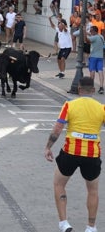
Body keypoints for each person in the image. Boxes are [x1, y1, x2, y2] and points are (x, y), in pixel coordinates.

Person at [44, 76, 105, 232]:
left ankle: (64, 223)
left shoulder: (69, 105)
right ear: (93, 90)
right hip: (92, 154)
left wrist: (48, 147)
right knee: (92, 191)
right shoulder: (102, 108)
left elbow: (57, 129)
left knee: (59, 184)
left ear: (78, 89)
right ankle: (91, 227)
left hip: (70, 153)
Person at [84, 25, 104, 94]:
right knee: (100, 71)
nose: (90, 32)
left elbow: (87, 40)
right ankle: (101, 87)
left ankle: (91, 87)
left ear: (94, 31)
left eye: (91, 30)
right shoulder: (101, 37)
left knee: (92, 71)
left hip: (93, 56)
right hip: (100, 57)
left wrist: (84, 33)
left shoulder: (94, 38)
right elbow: (91, 35)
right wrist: (88, 33)